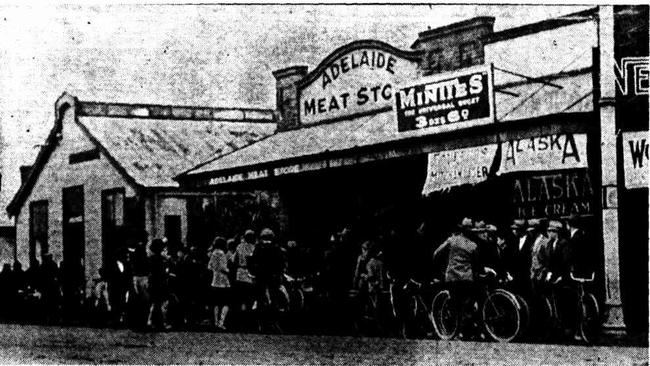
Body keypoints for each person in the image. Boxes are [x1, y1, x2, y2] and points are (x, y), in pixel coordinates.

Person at [208, 236, 231, 330]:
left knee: (216, 303)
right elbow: (222, 267)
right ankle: (221, 322)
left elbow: (209, 266)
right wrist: (228, 271)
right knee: (226, 303)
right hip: (223, 281)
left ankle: (215, 322)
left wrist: (215, 270)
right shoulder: (222, 253)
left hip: (214, 280)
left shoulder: (213, 253)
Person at [147, 238, 169, 330]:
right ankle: (163, 322)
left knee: (154, 303)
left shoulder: (150, 259)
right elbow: (165, 272)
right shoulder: (163, 260)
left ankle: (150, 321)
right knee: (162, 303)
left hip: (153, 282)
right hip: (161, 282)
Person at [233, 230, 257, 314]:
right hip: (250, 275)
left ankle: (240, 315)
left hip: (239, 274)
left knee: (240, 298)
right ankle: (248, 315)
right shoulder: (255, 248)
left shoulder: (240, 246)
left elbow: (234, 260)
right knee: (249, 298)